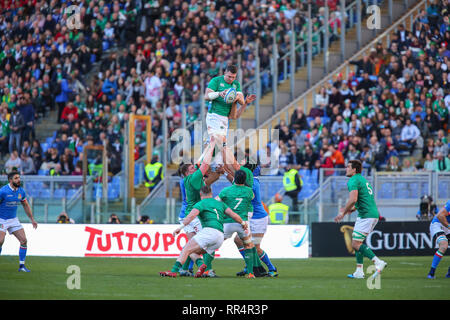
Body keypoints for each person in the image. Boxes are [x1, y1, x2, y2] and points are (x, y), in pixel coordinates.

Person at [160, 185, 247, 278]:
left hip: (209, 231)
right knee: (193, 252)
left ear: (200, 194)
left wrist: (180, 228)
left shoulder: (201, 203)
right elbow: (233, 215)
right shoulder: (220, 203)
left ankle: (173, 271)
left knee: (186, 248)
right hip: (220, 236)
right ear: (211, 193)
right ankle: (201, 265)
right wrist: (243, 223)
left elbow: (191, 216)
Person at [334, 160, 387, 279]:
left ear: (354, 170)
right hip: (372, 214)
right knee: (357, 243)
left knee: (355, 244)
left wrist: (343, 213)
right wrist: (349, 210)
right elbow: (359, 202)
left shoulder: (353, 180)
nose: (346, 168)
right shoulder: (362, 180)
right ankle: (359, 271)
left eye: (348, 167)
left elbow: (353, 199)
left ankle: (378, 262)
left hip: (366, 215)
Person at [218, 169, 256, 278]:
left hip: (228, 222)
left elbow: (217, 201)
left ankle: (207, 270)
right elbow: (252, 197)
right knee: (248, 245)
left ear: (235, 179)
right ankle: (250, 273)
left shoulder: (226, 190)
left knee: (213, 243)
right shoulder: (249, 191)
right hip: (243, 223)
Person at [0, 171, 38, 272]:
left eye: (19, 178)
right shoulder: (3, 191)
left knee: (24, 241)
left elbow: (25, 205)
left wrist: (32, 219)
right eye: (16, 178)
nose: (18, 180)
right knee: (0, 241)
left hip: (13, 219)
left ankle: (22, 266)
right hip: (2, 219)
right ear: (10, 180)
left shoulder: (21, 191)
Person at [427, 200, 450, 279]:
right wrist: (449, 226)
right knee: (444, 245)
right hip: (438, 224)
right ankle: (431, 273)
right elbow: (440, 216)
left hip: (447, 226)